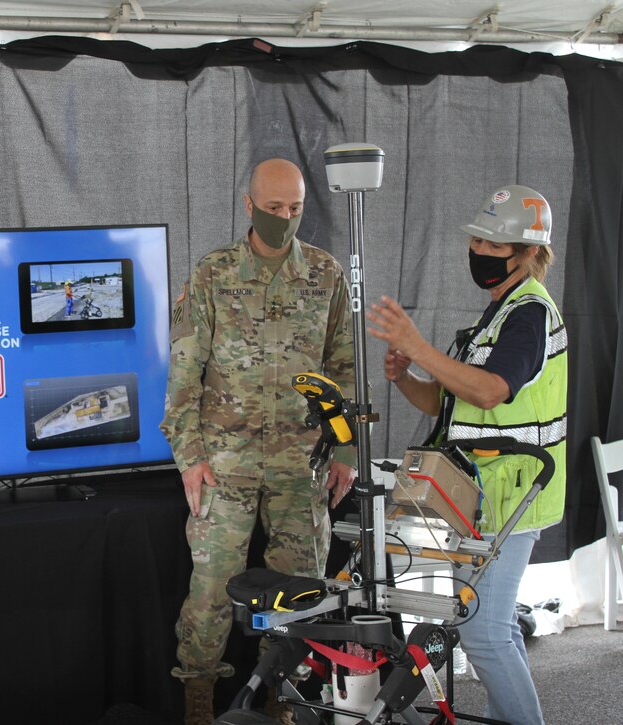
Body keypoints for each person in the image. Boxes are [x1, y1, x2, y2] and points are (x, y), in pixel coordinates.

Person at [161, 158, 358, 725]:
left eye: (295, 209)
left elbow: (342, 367)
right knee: (211, 594)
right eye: (274, 208)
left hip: (302, 465)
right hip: (225, 463)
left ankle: (283, 707)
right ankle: (199, 705)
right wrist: (190, 459)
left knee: (300, 592)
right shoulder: (213, 273)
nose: (285, 218)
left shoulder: (325, 274)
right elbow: (184, 372)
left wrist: (343, 449)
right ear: (248, 205)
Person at [366, 184, 566, 725]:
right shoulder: (495, 315)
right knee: (492, 628)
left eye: (493, 245)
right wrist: (408, 376)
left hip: (511, 496)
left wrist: (419, 345)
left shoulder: (529, 317)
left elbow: (491, 390)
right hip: (478, 496)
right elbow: (449, 403)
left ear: (528, 254)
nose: (479, 252)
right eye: (476, 240)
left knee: (482, 631)